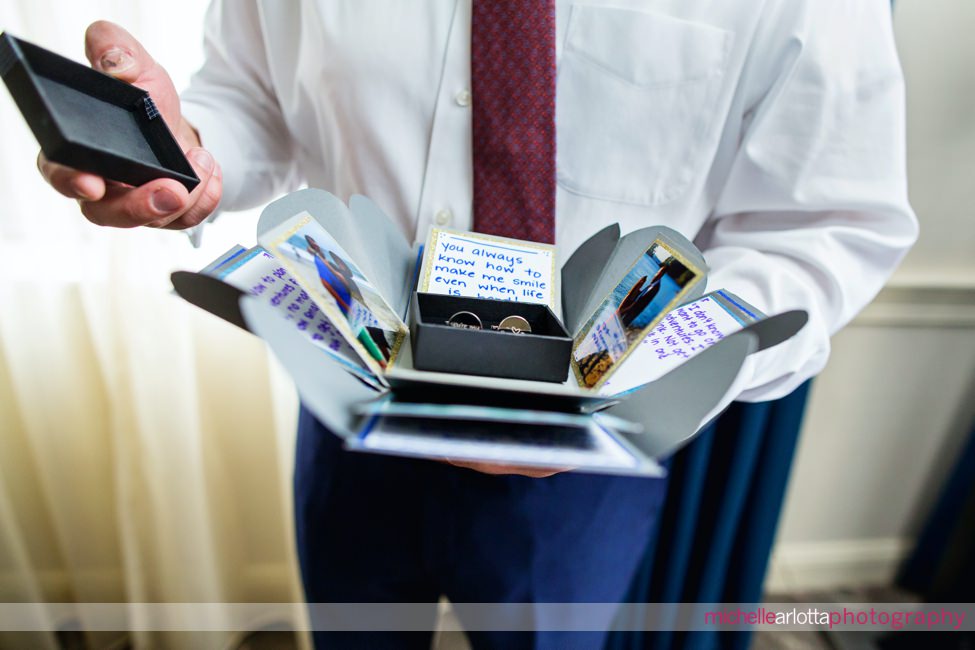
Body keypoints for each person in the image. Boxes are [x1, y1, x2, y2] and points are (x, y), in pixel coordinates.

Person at [37, 2, 918, 648]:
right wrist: (183, 152)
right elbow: (255, 100)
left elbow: (823, 228)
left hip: (584, 458)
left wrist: (627, 384)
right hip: (350, 408)